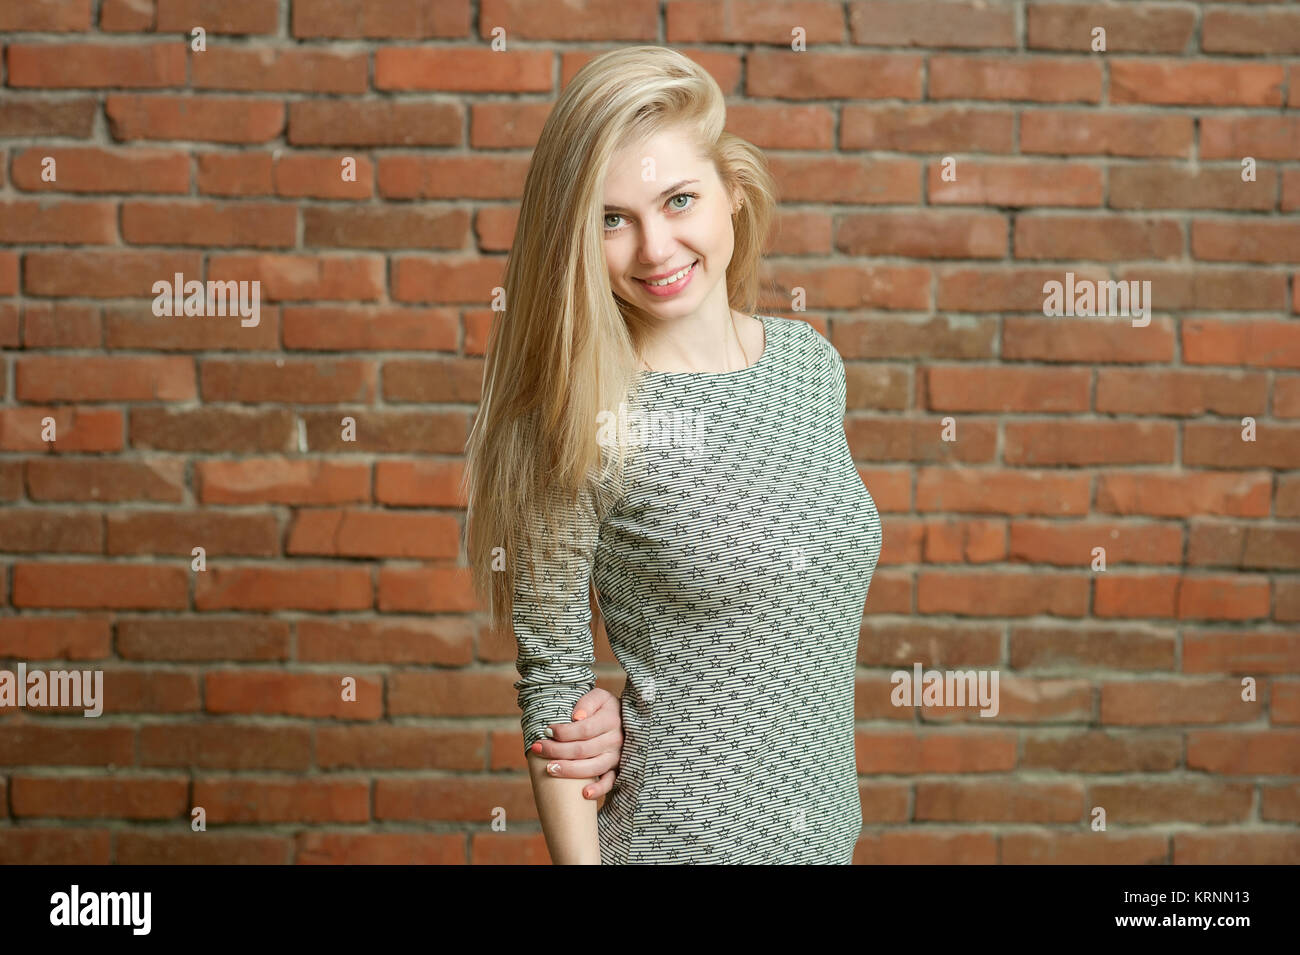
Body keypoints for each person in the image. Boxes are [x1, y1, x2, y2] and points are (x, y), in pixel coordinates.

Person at [463, 46, 882, 864]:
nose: (655, 248)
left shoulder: (809, 366)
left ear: (733, 193)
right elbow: (553, 684)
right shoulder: (581, 414)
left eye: (678, 200)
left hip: (826, 838)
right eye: (612, 219)